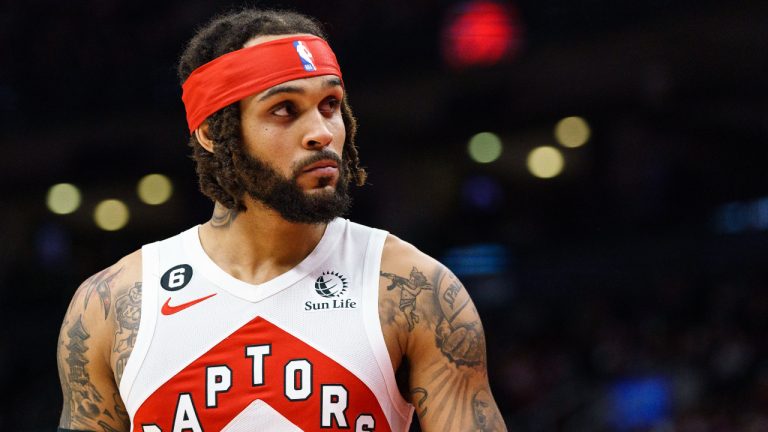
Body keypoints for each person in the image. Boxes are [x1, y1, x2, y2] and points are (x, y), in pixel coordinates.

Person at [56, 8, 506, 432]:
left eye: (330, 104)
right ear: (214, 132)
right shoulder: (110, 306)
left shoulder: (414, 288)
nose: (322, 132)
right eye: (285, 110)